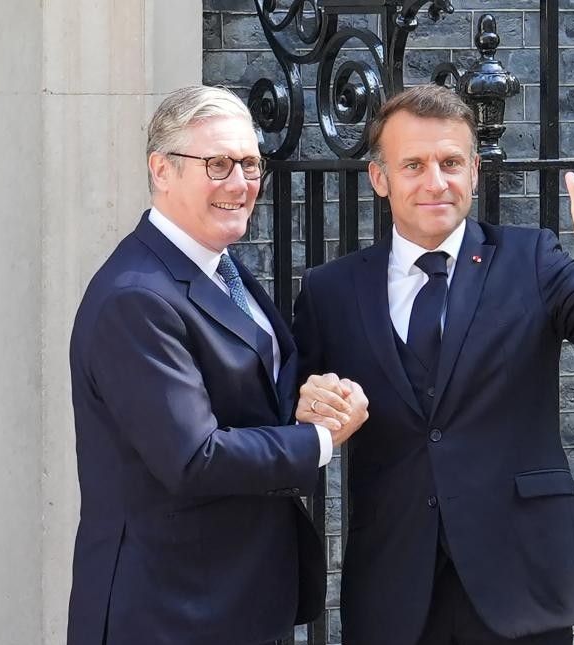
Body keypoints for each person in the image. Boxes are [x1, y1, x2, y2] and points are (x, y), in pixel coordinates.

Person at [293, 84, 574, 645]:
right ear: (379, 178)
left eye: (450, 163)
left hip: (518, 574)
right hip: (393, 581)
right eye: (413, 164)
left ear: (474, 172)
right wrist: (309, 405)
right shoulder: (330, 290)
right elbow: (296, 410)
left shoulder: (530, 257)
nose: (434, 181)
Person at [65, 85, 368, 645]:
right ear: (162, 170)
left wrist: (310, 396)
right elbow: (194, 458)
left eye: (251, 165)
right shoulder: (136, 297)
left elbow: (248, 385)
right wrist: (319, 439)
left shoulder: (217, 267)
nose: (240, 184)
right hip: (170, 611)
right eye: (218, 164)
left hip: (236, 599)